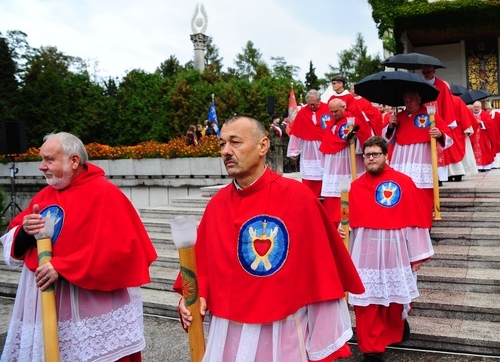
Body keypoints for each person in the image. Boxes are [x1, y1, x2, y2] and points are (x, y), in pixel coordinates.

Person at [174, 115, 364, 361]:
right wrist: (192, 298)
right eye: (222, 144)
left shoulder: (299, 198)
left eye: (235, 142)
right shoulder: (217, 205)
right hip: (230, 332)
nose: (226, 151)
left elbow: (320, 272)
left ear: (263, 145)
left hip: (282, 332)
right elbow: (203, 269)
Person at [0, 132, 157, 362]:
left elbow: (120, 251)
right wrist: (25, 231)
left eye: (49, 160)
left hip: (92, 306)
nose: (42, 167)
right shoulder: (45, 195)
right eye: (41, 160)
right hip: (48, 307)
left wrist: (63, 267)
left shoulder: (105, 193)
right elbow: (14, 241)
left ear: (74, 161)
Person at [345, 136, 434, 361]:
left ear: (386, 155)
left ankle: (398, 326)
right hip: (366, 253)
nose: (371, 158)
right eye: (367, 155)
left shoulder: (403, 182)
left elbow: (414, 220)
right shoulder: (355, 186)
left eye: (376, 154)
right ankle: (371, 350)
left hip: (395, 250)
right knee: (366, 302)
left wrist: (417, 255)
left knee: (395, 298)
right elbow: (350, 225)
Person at [384, 90, 452, 223]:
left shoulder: (430, 114)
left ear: (419, 100)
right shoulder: (399, 116)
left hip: (421, 157)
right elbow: (388, 140)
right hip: (401, 158)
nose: (408, 103)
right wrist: (390, 126)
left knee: (421, 192)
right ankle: (401, 221)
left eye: (411, 100)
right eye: (406, 101)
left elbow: (448, 135)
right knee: (400, 191)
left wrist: (439, 134)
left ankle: (423, 222)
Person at [319, 98, 371, 225]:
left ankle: (350, 223)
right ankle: (334, 224)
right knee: (333, 199)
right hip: (333, 166)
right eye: (331, 112)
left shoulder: (353, 121)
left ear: (344, 107)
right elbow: (327, 143)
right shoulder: (331, 123)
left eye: (336, 111)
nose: (333, 114)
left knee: (350, 194)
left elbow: (365, 139)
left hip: (349, 164)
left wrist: (355, 140)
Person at [286, 89, 330, 197]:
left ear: (320, 101)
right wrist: (294, 151)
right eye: (310, 104)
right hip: (308, 149)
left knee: (325, 175)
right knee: (310, 180)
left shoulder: (328, 109)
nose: (312, 106)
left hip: (325, 148)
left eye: (315, 104)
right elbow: (296, 133)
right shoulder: (302, 112)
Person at [470, 101, 495, 171]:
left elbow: (490, 123)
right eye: (474, 107)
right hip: (473, 136)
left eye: (477, 107)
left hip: (483, 136)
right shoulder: (471, 114)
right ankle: (477, 166)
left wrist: (481, 122)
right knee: (474, 151)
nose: (476, 108)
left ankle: (485, 166)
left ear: (480, 107)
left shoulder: (485, 114)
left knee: (485, 150)